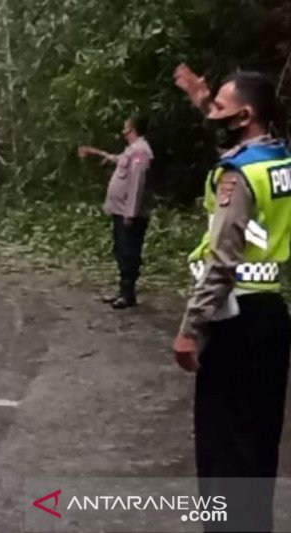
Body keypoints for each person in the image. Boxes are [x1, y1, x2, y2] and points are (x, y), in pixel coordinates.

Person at [173, 65, 291, 532]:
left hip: (234, 319)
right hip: (271, 316)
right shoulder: (279, 160)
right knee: (259, 441)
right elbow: (238, 142)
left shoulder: (237, 175)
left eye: (220, 108)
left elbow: (222, 262)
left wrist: (189, 330)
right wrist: (203, 100)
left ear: (245, 116)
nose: (212, 114)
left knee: (223, 448)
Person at [78, 115, 153, 308]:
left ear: (133, 129)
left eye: (126, 127)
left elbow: (137, 184)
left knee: (129, 252)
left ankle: (128, 294)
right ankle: (123, 290)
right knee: (121, 250)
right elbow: (118, 159)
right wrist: (97, 152)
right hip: (120, 211)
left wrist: (131, 212)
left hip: (129, 214)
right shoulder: (132, 150)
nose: (123, 131)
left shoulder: (141, 152)